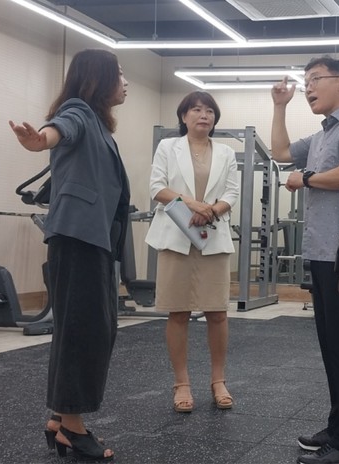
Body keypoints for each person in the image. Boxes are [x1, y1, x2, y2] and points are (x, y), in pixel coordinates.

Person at [8, 48, 129, 461]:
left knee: (87, 328)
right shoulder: (78, 110)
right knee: (85, 331)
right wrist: (40, 140)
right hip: (78, 237)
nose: (125, 82)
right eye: (119, 74)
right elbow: (61, 128)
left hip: (89, 239)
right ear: (98, 78)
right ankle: (73, 429)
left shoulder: (98, 123)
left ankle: (60, 419)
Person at [271, 55, 339, 464]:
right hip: (320, 252)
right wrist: (279, 106)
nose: (309, 88)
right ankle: (337, 428)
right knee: (331, 346)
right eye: (306, 82)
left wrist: (305, 179)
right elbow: (281, 151)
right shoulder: (321, 135)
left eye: (316, 79)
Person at [144, 91, 239, 413]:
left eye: (210, 111)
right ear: (184, 116)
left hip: (213, 236)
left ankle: (218, 381)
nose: (204, 115)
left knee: (218, 312)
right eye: (196, 109)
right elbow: (157, 187)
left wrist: (210, 211)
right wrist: (192, 204)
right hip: (175, 235)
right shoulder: (167, 147)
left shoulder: (226, 152)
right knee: (178, 312)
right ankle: (181, 384)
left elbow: (232, 192)